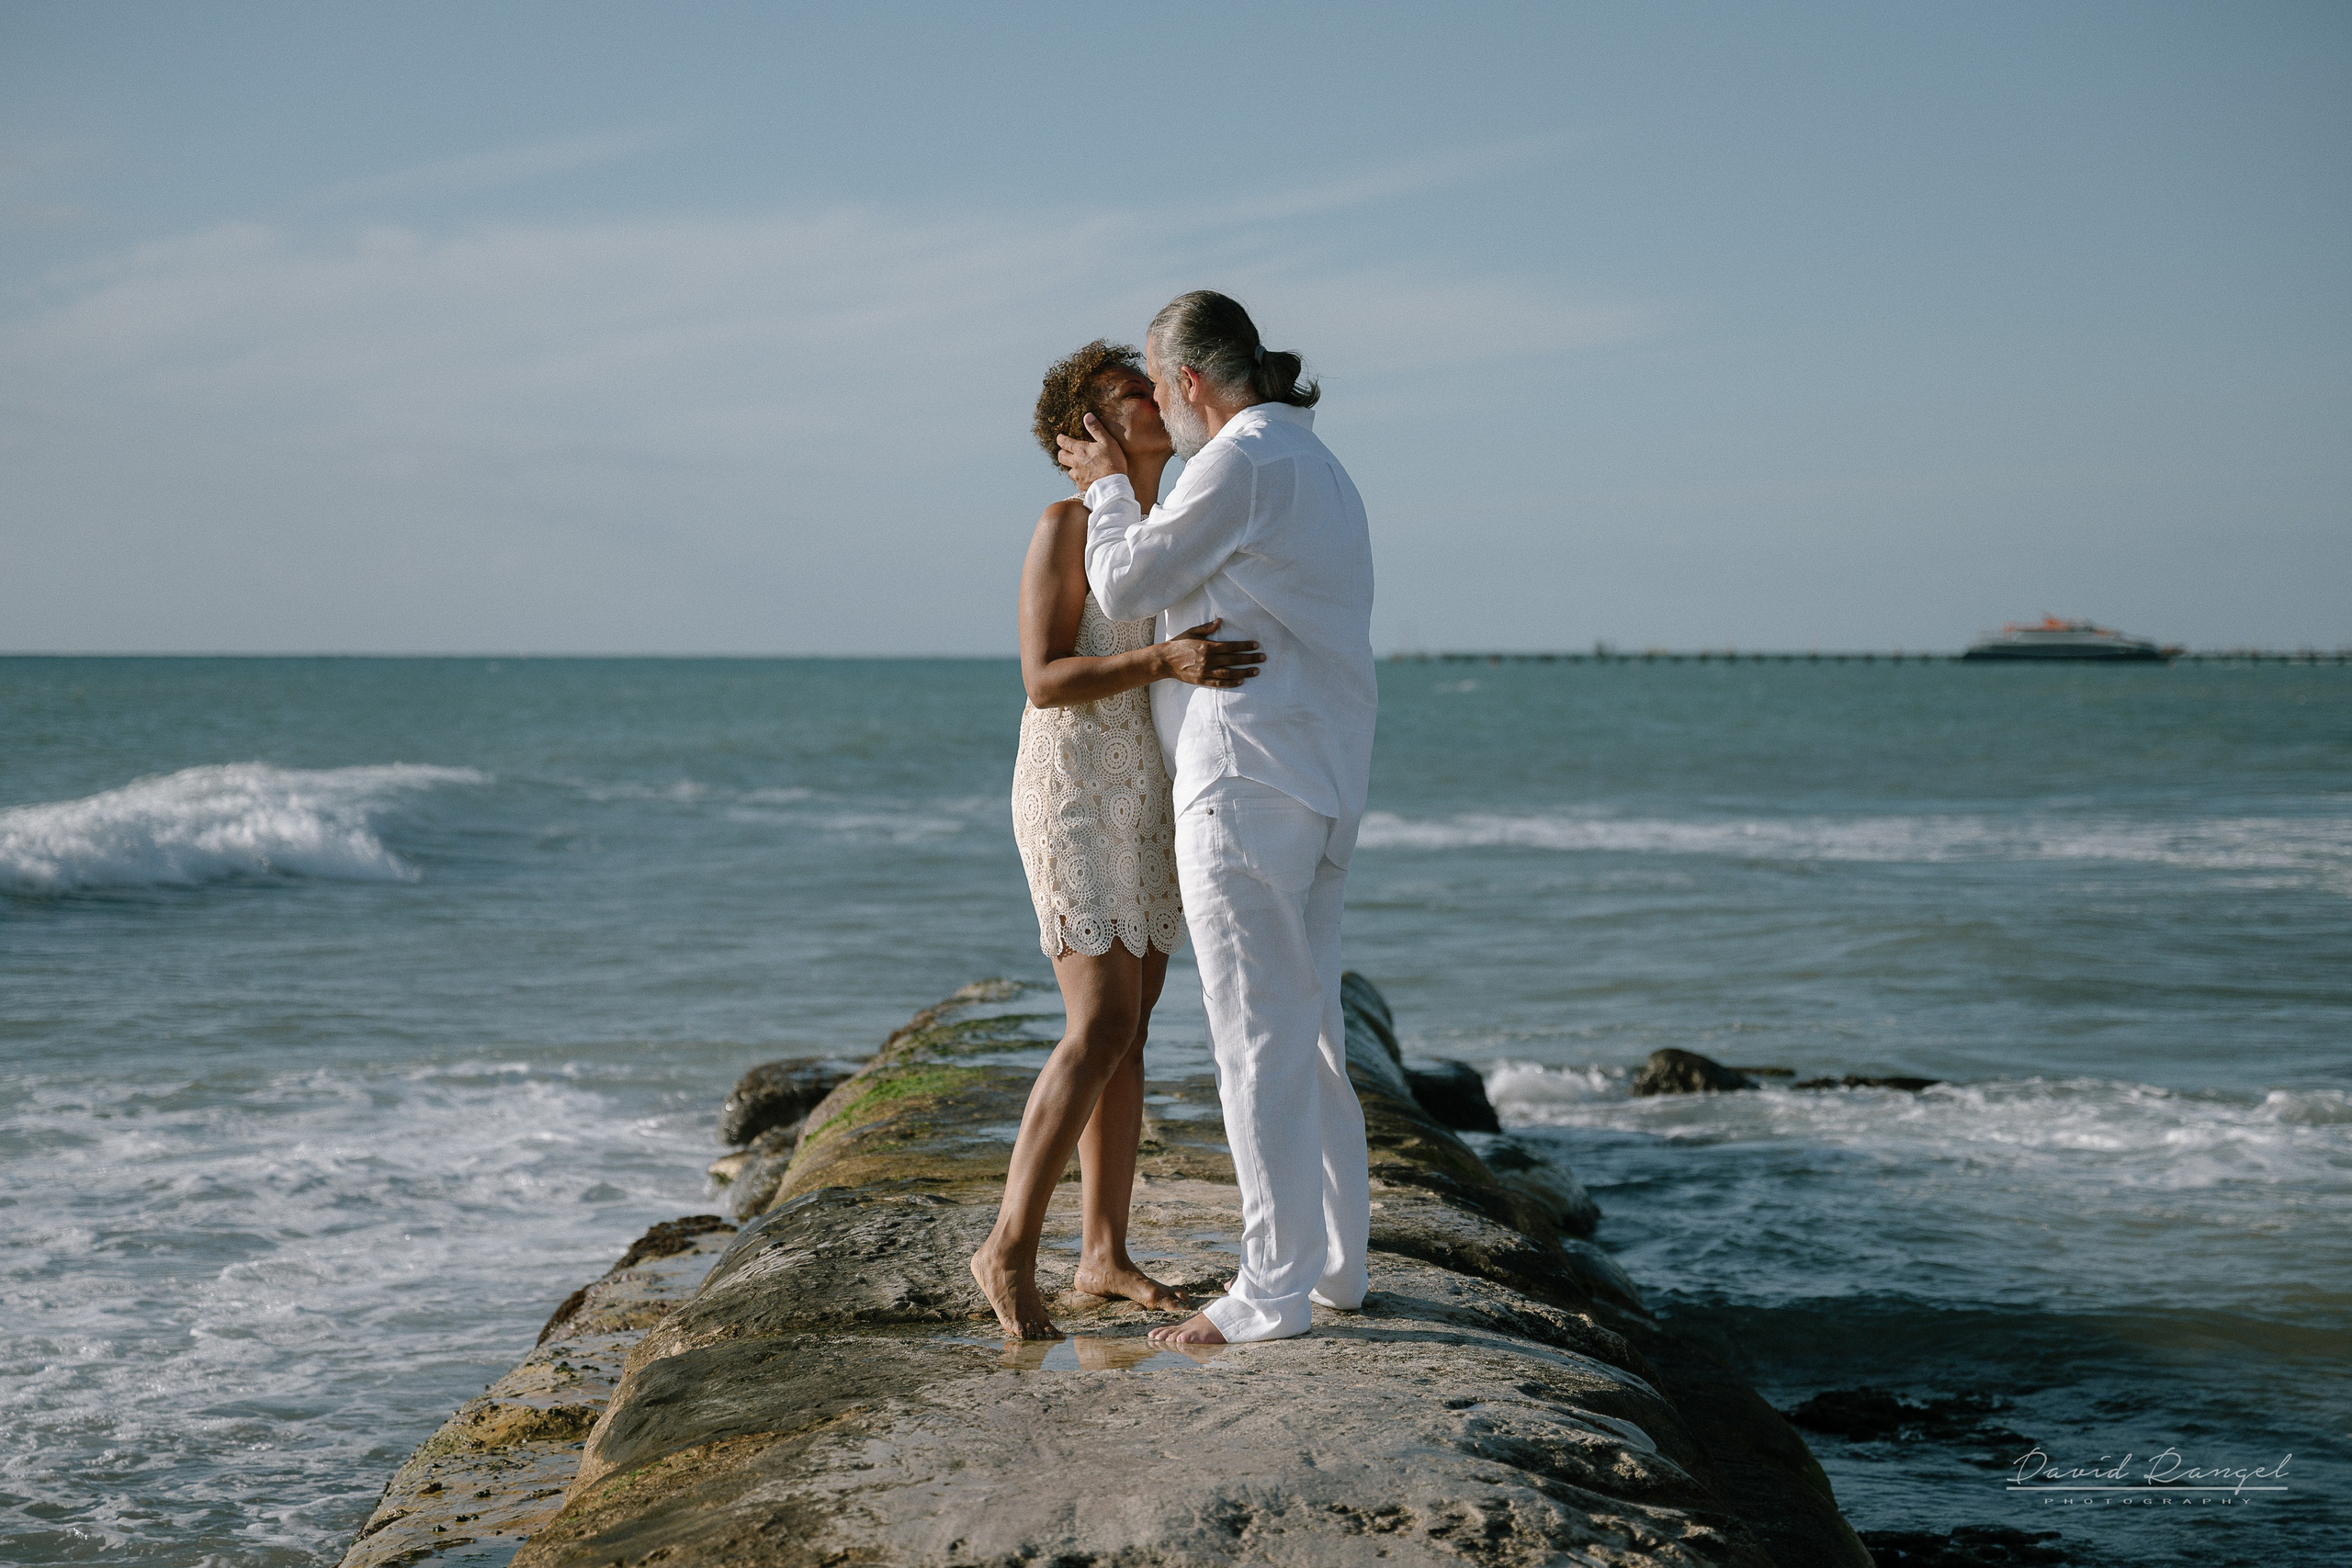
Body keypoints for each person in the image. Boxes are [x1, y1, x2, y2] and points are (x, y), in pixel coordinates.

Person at [1057, 292, 1377, 1346]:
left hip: (1246, 777)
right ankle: (1333, 1262)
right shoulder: (1318, 465)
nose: (1154, 405)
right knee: (1309, 1028)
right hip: (1319, 774)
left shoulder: (1238, 460)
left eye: (1155, 384)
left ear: (1189, 381)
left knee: (1254, 1036)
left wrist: (1107, 490)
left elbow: (1130, 573)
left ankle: (1269, 1290)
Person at [968, 340, 1269, 1339]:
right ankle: (1007, 1248)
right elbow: (1043, 677)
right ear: (1080, 437)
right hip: (1069, 784)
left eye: (1146, 387)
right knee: (1096, 1021)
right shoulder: (1063, 525)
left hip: (1149, 787)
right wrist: (1163, 660)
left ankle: (1102, 1254)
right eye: (1122, 396)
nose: (1150, 400)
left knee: (1133, 1029)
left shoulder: (1174, 523)